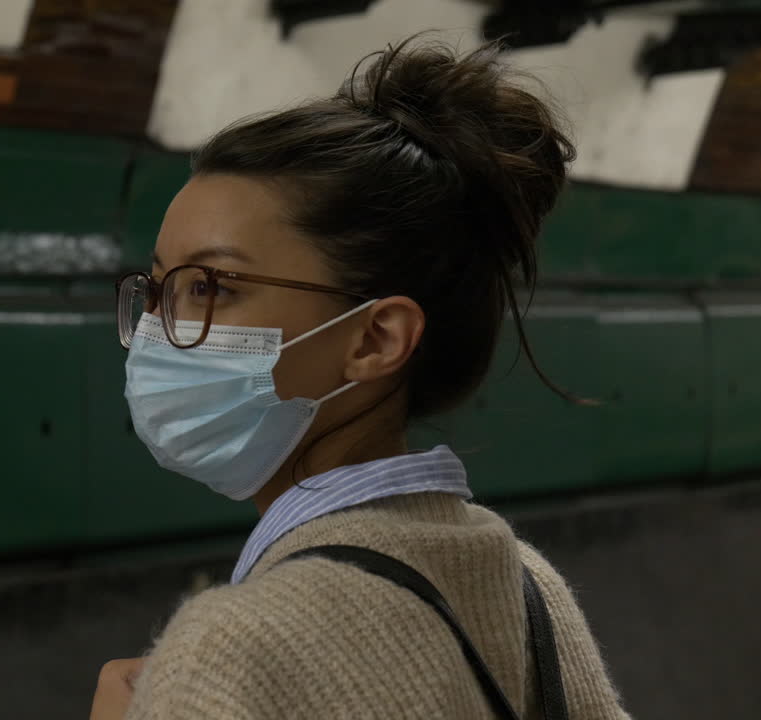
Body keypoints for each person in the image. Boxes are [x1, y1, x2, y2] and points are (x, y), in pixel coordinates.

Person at [91, 36, 630, 720]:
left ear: (376, 339)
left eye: (212, 287)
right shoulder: (528, 590)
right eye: (160, 287)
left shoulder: (233, 650)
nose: (159, 329)